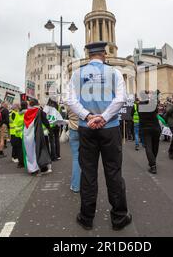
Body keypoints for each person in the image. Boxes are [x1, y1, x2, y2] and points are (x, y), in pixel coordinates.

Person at [66, 41, 131, 231]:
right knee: (113, 172)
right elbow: (121, 99)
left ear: (89, 55)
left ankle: (86, 217)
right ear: (104, 54)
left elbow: (69, 99)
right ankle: (119, 217)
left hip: (86, 128)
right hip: (109, 128)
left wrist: (88, 116)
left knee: (88, 173)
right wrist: (103, 117)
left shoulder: (77, 74)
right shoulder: (115, 73)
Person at [22, 99, 52, 175]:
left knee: (30, 152)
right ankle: (41, 168)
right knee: (39, 150)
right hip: (36, 134)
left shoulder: (26, 112)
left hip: (27, 135)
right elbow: (45, 121)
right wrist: (50, 129)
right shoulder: (39, 111)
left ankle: (32, 169)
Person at [138, 91, 161, 174]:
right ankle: (153, 161)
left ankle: (152, 164)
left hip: (146, 128)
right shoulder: (152, 104)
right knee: (155, 146)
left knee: (148, 147)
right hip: (155, 127)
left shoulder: (139, 105)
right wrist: (153, 94)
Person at [67, 105, 81, 193]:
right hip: (85, 129)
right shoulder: (85, 101)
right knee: (88, 159)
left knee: (76, 158)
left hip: (73, 129)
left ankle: (76, 185)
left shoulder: (70, 103)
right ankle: (87, 185)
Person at [13, 102, 28, 169]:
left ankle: (20, 163)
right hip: (26, 134)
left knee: (19, 149)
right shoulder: (28, 113)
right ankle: (27, 162)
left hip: (18, 134)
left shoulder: (18, 114)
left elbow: (15, 123)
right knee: (27, 149)